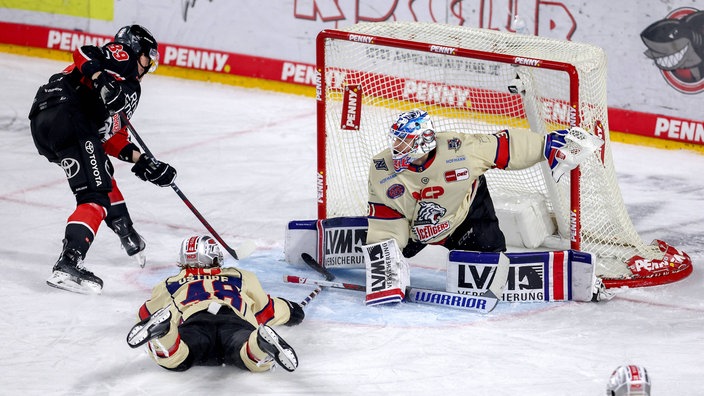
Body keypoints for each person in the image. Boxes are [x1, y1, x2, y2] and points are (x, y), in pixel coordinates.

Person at [362, 109, 604, 305]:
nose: (396, 147)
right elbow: (387, 216)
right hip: (414, 227)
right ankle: (377, 247)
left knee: (489, 262)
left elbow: (504, 147)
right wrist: (385, 255)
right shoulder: (382, 169)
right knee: (388, 247)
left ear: (423, 142)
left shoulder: (460, 150)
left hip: (464, 217)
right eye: (396, 140)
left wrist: (546, 144)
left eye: (403, 141)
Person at [28, 25, 177, 294]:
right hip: (69, 114)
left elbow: (109, 137)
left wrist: (143, 161)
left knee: (100, 172)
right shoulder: (125, 58)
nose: (148, 66)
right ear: (138, 49)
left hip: (47, 124)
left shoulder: (125, 88)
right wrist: (99, 78)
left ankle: (124, 229)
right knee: (93, 197)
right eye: (149, 58)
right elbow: (84, 52)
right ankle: (68, 264)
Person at [126, 235, 305, 373]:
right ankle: (259, 345)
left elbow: (145, 314)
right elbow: (267, 310)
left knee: (178, 358)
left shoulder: (171, 283)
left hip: (196, 321)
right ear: (216, 257)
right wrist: (291, 310)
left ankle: (165, 334)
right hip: (235, 321)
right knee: (247, 355)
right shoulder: (241, 276)